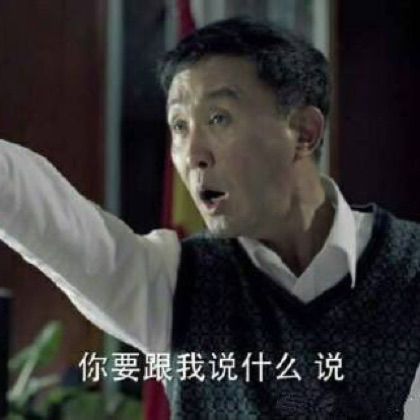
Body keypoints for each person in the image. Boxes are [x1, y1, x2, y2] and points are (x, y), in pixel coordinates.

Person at [0, 17, 419, 418]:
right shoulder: (175, 284)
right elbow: (38, 209)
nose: (193, 154)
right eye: (180, 127)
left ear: (304, 133)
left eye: (219, 118)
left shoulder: (409, 266)